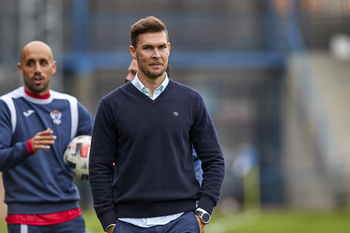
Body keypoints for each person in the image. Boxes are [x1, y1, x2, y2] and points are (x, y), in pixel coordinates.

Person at [89, 16, 225, 233]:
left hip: (182, 222)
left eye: (162, 47)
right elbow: (98, 167)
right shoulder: (111, 105)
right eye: (148, 48)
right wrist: (109, 222)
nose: (156, 54)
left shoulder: (191, 100)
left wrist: (203, 212)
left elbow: (214, 160)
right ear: (133, 52)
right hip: (128, 224)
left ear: (169, 48)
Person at [0, 41, 95, 233]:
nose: (37, 69)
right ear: (20, 68)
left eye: (43, 63)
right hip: (26, 216)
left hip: (69, 214)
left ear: (53, 67)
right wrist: (28, 147)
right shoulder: (7, 106)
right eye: (30, 63)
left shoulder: (70, 106)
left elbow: (104, 140)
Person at [124, 59, 203, 185]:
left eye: (134, 73)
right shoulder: (115, 108)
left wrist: (200, 201)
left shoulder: (181, 110)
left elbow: (198, 158)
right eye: (129, 72)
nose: (128, 78)